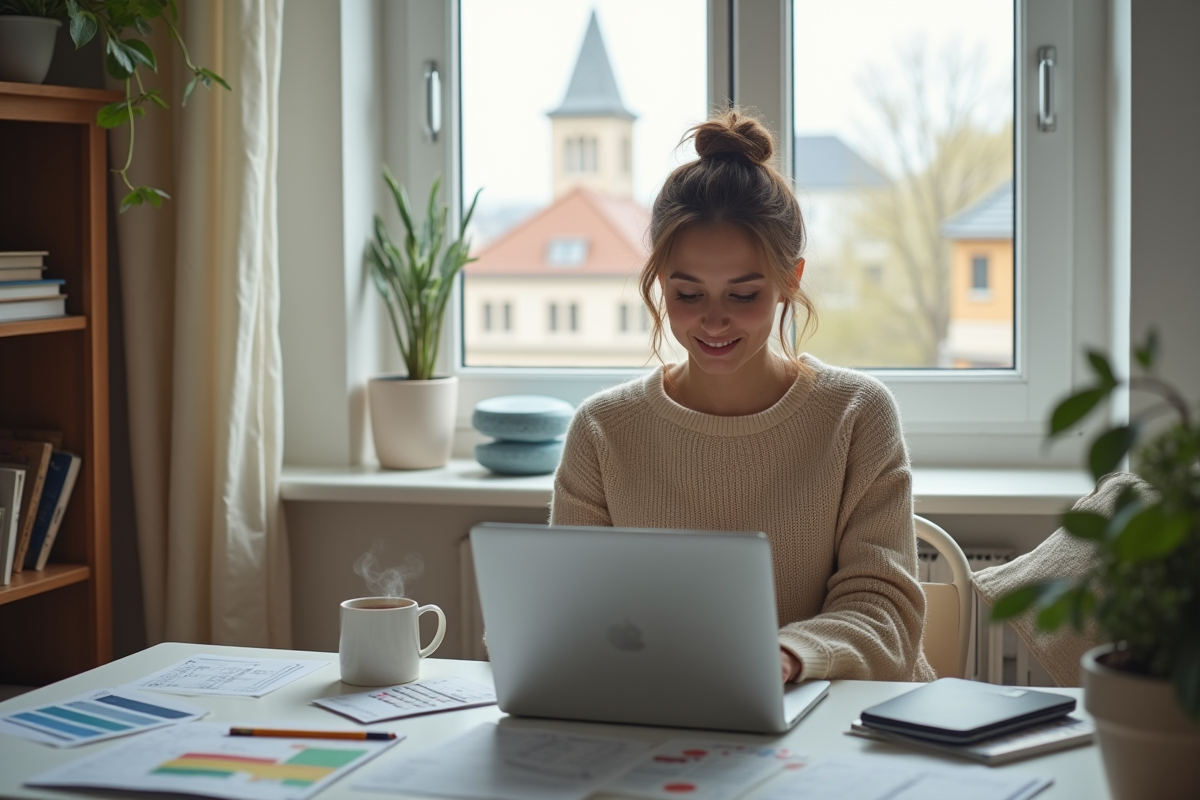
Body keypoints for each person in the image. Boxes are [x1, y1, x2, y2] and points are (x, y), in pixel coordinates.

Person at [550, 109, 935, 684]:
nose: (713, 320)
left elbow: (885, 614)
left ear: (790, 281)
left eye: (743, 294)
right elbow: (567, 607)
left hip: (837, 711)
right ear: (660, 282)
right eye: (687, 294)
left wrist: (783, 658)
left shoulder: (856, 414)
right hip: (671, 709)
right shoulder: (603, 429)